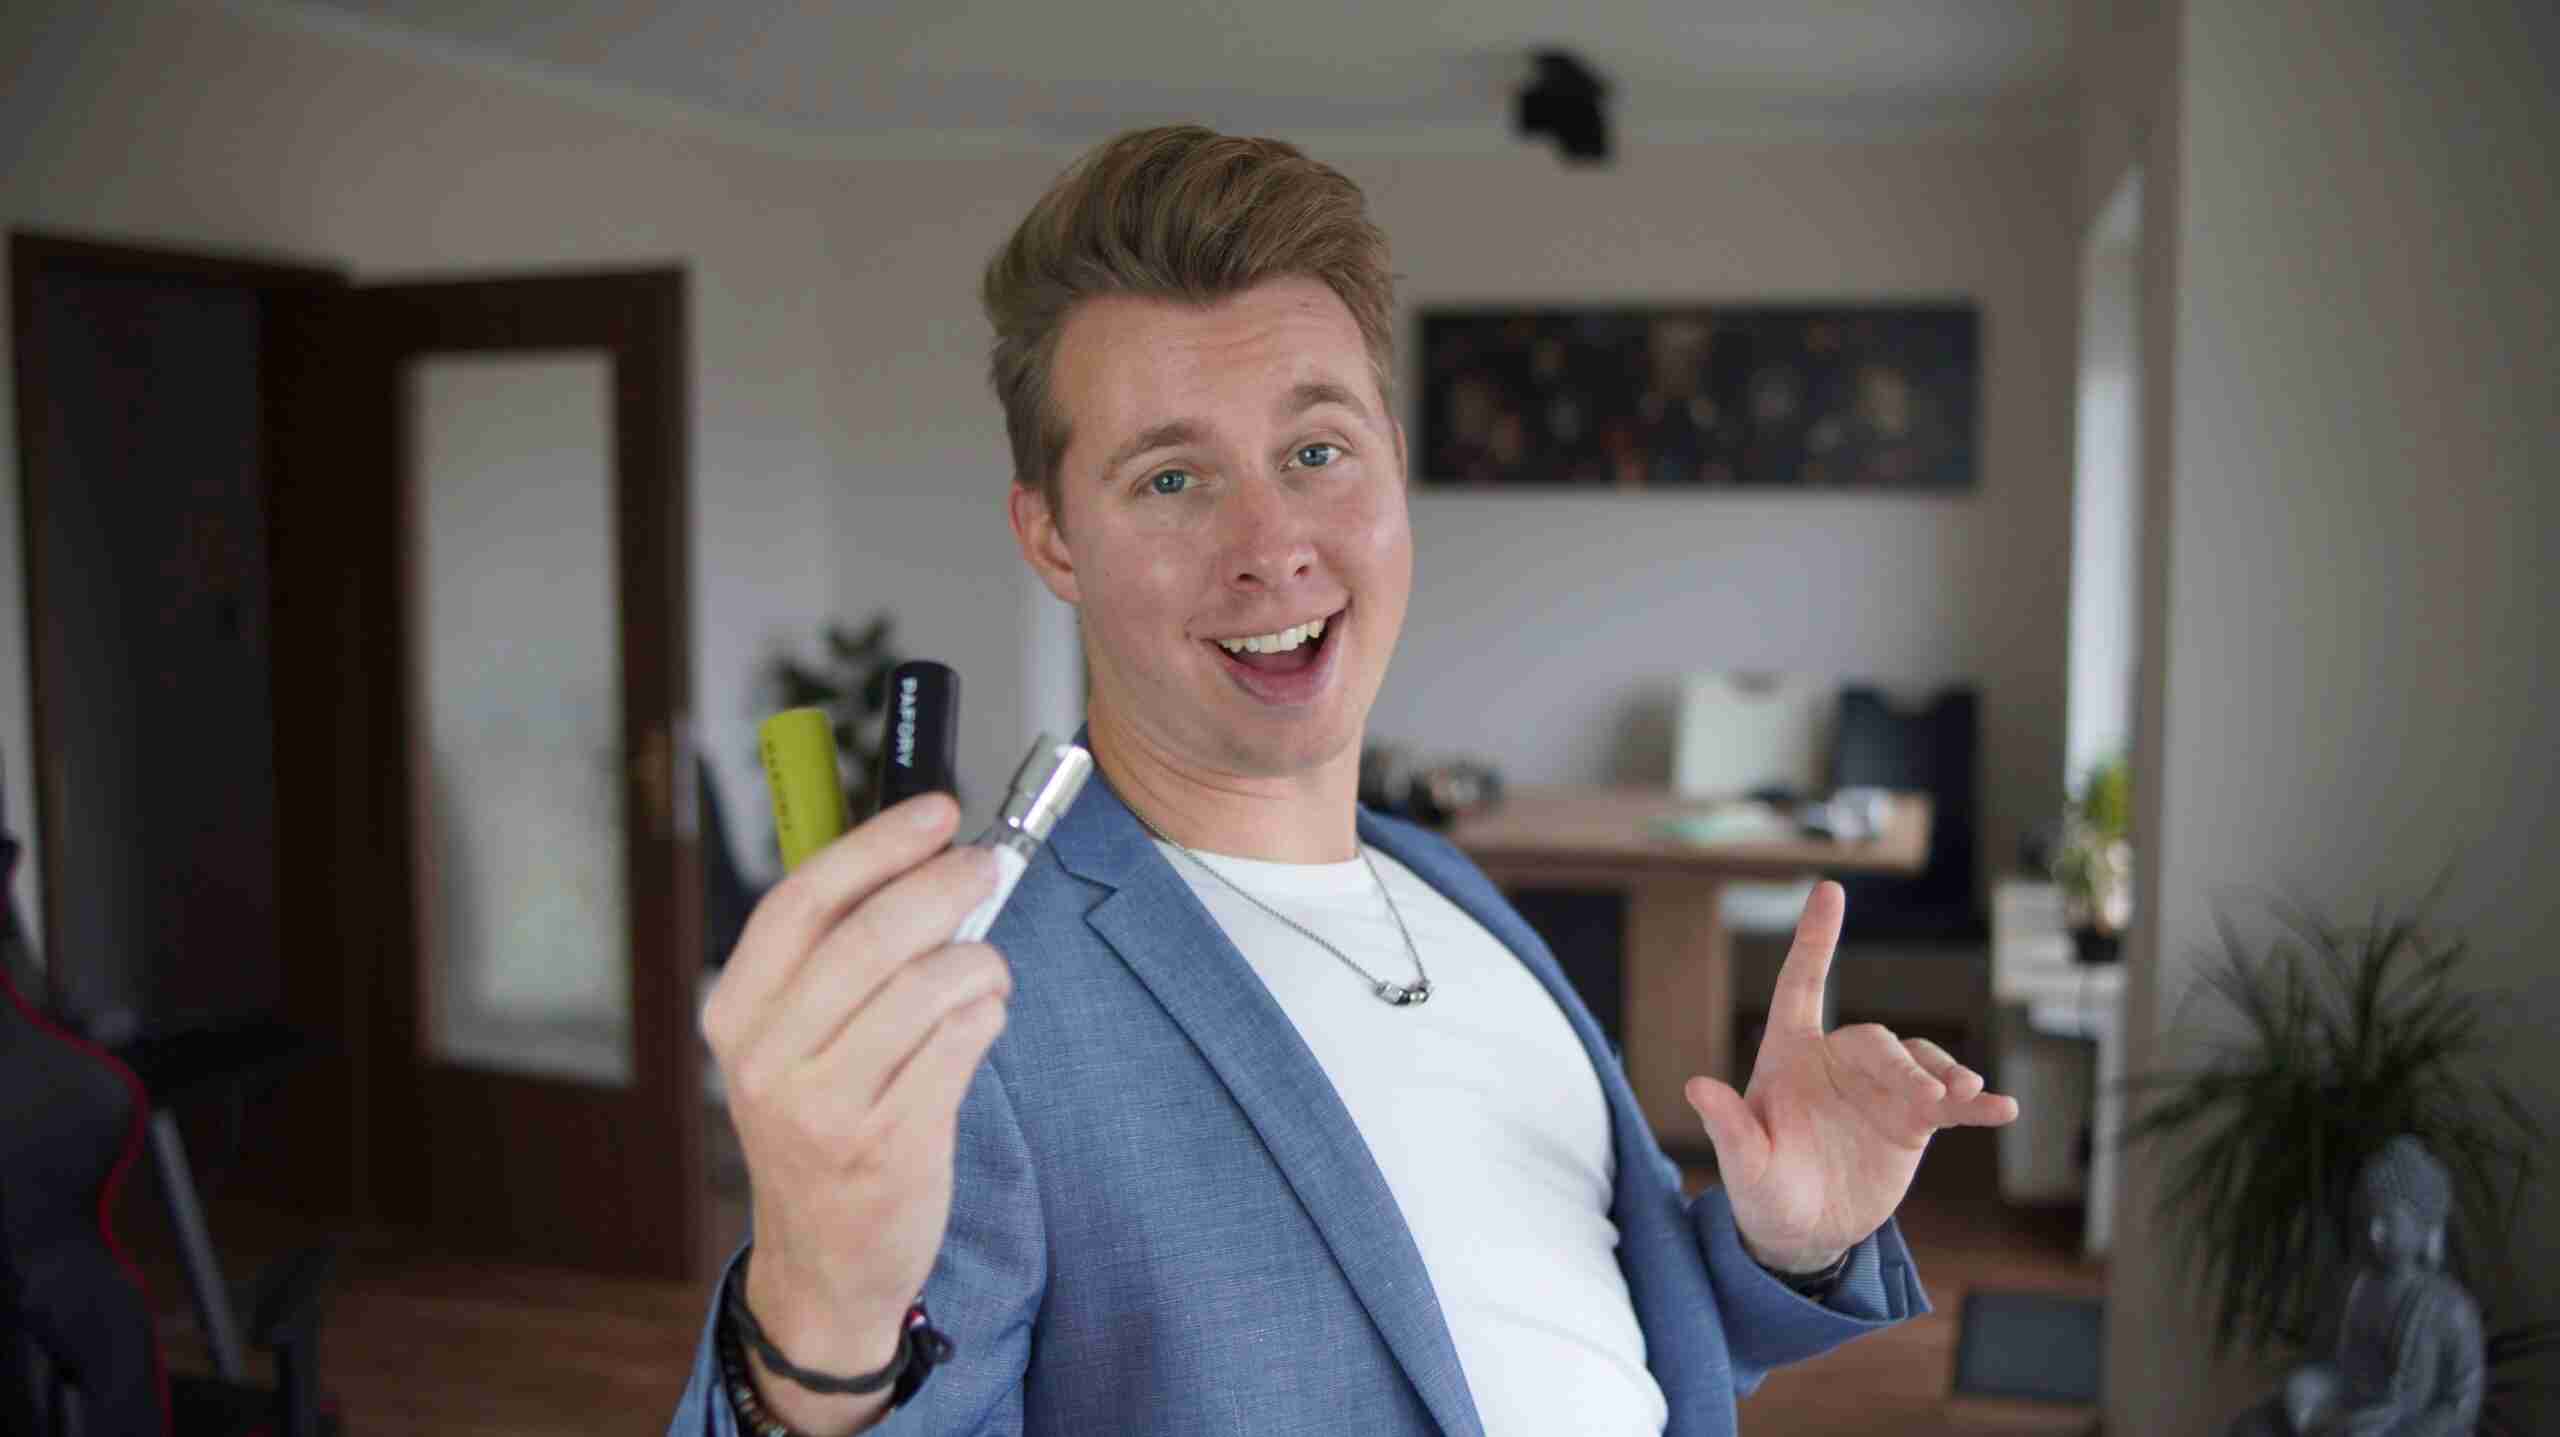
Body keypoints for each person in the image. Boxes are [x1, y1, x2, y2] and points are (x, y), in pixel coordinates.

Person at [669, 125, 2018, 1437]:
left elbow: (1577, 1334)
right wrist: (818, 1324)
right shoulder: (970, 1008)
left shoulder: (1447, 889)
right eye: (1173, 478)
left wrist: (1790, 1244)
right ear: (1055, 539)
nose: (1271, 546)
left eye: (1316, 453)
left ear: (1393, 470)